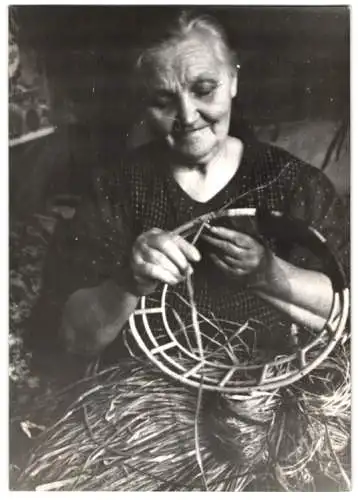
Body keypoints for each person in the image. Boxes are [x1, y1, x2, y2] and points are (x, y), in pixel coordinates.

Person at [41, 10, 348, 361]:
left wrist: (270, 274)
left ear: (233, 79)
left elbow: (346, 313)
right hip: (149, 395)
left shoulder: (293, 182)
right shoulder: (117, 189)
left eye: (204, 89)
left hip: (267, 390)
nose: (187, 116)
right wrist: (127, 282)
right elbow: (69, 341)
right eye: (162, 100)